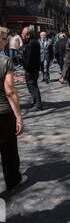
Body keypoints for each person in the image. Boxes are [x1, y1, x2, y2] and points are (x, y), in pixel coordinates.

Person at [0, 27, 26, 190]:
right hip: (3, 113)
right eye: (4, 39)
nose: (6, 42)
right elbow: (10, 91)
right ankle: (13, 179)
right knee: (8, 149)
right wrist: (19, 118)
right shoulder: (4, 61)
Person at [21, 27, 42, 111]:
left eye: (23, 33)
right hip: (31, 69)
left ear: (28, 35)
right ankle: (35, 102)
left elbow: (30, 58)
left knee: (33, 86)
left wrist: (28, 70)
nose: (22, 35)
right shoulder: (29, 42)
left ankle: (38, 104)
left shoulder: (32, 43)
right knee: (30, 86)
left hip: (31, 69)